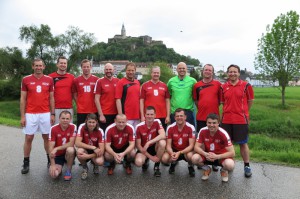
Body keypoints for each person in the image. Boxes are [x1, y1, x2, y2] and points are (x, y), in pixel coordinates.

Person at [20, 58, 55, 174]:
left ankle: (50, 160)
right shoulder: (26, 79)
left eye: (40, 66)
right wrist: (23, 116)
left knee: (46, 137)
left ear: (44, 67)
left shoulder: (49, 80)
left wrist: (53, 113)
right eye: (36, 66)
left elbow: (51, 98)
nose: (38, 68)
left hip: (45, 113)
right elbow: (23, 99)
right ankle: (26, 162)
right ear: (32, 66)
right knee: (29, 138)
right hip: (30, 113)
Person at [220, 64, 254, 178]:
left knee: (243, 143)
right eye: (230, 72)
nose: (232, 74)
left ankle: (247, 165)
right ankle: (229, 164)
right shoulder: (223, 87)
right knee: (227, 144)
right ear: (227, 73)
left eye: (235, 72)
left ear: (239, 73)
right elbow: (223, 103)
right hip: (226, 120)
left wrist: (244, 112)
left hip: (241, 120)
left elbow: (250, 101)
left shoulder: (246, 85)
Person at [192, 113, 235, 182]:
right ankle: (207, 169)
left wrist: (217, 156)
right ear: (206, 123)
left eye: (214, 123)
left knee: (230, 165)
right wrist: (205, 154)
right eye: (209, 123)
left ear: (218, 123)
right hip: (207, 155)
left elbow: (232, 153)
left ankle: (224, 171)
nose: (211, 125)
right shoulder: (202, 130)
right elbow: (196, 147)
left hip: (220, 156)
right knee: (194, 158)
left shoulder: (223, 133)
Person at [162, 108, 196, 177]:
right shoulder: (170, 127)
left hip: (186, 151)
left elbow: (191, 146)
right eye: (177, 116)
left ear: (185, 117)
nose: (179, 118)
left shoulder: (191, 127)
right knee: (164, 159)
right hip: (174, 150)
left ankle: (190, 165)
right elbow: (168, 145)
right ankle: (173, 162)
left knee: (191, 157)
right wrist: (172, 153)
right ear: (174, 118)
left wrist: (180, 152)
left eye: (181, 116)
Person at [135, 106, 166, 177]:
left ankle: (157, 166)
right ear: (145, 115)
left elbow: (163, 135)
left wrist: (149, 142)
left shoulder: (157, 121)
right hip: (144, 149)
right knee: (138, 162)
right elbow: (138, 146)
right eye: (148, 114)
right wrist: (151, 157)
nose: (149, 116)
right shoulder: (139, 127)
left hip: (154, 147)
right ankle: (145, 161)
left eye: (152, 114)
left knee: (162, 142)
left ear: (155, 115)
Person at [75, 113, 105, 180]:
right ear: (86, 121)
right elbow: (77, 143)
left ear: (96, 122)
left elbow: (102, 150)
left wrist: (88, 156)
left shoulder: (100, 131)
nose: (91, 124)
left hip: (96, 152)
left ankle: (95, 165)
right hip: (87, 149)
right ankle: (85, 168)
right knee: (79, 151)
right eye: (89, 122)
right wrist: (93, 147)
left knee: (100, 161)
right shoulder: (82, 126)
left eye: (93, 122)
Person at [193, 64, 221, 132]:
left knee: (215, 139)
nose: (207, 72)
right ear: (202, 71)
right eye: (206, 70)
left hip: (214, 118)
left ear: (212, 72)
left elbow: (220, 100)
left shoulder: (218, 84)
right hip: (201, 117)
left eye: (210, 70)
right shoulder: (197, 85)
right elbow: (196, 101)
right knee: (201, 139)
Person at [48, 111, 76, 181]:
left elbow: (71, 144)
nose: (65, 120)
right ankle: (59, 167)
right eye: (63, 118)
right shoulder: (53, 128)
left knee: (71, 149)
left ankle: (68, 171)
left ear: (70, 119)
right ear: (59, 118)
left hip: (67, 153)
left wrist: (57, 148)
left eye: (67, 118)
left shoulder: (73, 126)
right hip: (58, 155)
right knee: (54, 174)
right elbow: (51, 147)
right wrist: (53, 164)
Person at [140, 66, 170, 130]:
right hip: (149, 116)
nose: (156, 74)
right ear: (151, 73)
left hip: (162, 116)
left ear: (160, 73)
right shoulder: (145, 85)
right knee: (148, 136)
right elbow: (141, 101)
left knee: (162, 136)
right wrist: (142, 116)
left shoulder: (164, 86)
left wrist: (168, 116)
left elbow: (167, 101)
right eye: (154, 73)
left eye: (157, 73)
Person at [167, 62, 196, 126]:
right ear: (177, 69)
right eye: (180, 68)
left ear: (186, 69)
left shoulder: (193, 81)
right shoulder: (171, 81)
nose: (181, 70)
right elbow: (169, 96)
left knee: (189, 133)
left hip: (188, 112)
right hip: (175, 112)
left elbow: (196, 95)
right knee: (174, 133)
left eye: (183, 68)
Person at [72, 59, 99, 128]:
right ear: (81, 68)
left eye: (87, 67)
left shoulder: (97, 80)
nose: (86, 69)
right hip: (81, 110)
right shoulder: (76, 80)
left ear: (91, 67)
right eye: (84, 67)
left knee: (94, 129)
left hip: (93, 109)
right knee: (81, 129)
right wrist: (79, 103)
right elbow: (75, 94)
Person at [49, 56, 75, 124]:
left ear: (66, 65)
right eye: (61, 63)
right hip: (55, 109)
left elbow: (74, 93)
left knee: (69, 131)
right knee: (55, 131)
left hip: (69, 108)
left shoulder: (72, 77)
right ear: (57, 64)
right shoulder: (50, 77)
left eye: (64, 63)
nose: (63, 65)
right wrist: (52, 112)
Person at [94, 63, 119, 131]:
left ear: (113, 70)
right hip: (105, 114)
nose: (108, 71)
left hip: (116, 114)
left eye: (110, 69)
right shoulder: (100, 81)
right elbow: (96, 99)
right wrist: (101, 115)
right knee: (104, 135)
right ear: (104, 71)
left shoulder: (118, 81)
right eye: (106, 69)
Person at [115, 62, 140, 128]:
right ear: (126, 71)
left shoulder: (137, 82)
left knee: (136, 137)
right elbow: (118, 99)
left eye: (132, 70)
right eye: (129, 70)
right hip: (126, 116)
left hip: (137, 116)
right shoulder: (121, 82)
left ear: (135, 71)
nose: (130, 72)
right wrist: (120, 115)